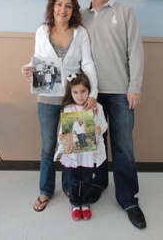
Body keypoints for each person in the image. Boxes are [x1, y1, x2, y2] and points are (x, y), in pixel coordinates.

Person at [81, 0, 146, 229]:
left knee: (123, 148)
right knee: (92, 145)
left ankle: (128, 199)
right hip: (89, 95)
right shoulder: (79, 16)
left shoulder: (126, 12)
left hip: (120, 92)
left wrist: (135, 87)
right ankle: (97, 183)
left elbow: (136, 52)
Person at [21, 0, 98, 212]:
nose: (62, 9)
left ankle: (68, 187)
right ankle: (45, 190)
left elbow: (88, 64)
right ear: (52, 6)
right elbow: (39, 61)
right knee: (48, 147)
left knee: (71, 146)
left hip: (73, 101)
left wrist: (92, 95)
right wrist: (28, 69)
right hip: (46, 99)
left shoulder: (80, 32)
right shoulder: (42, 31)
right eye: (58, 4)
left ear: (73, 9)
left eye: (68, 5)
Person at [54, 73, 108, 221]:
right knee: (72, 179)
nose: (79, 96)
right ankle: (74, 204)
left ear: (89, 91)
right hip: (73, 154)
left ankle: (85, 203)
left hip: (88, 153)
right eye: (75, 92)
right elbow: (63, 129)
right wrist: (61, 137)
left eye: (83, 91)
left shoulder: (98, 107)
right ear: (70, 93)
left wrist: (100, 129)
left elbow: (104, 124)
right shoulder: (68, 109)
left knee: (86, 179)